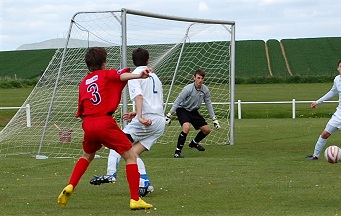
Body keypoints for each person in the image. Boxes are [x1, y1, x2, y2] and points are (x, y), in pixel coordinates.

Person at [57, 47, 153, 210]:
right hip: (104, 121)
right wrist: (139, 75)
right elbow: (122, 75)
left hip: (88, 123)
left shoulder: (83, 83)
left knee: (87, 156)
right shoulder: (107, 74)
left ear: (88, 65)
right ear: (103, 62)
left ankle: (71, 185)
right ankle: (135, 199)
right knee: (130, 156)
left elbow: (80, 112)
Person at [89, 48, 165, 197]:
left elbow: (139, 96)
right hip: (159, 121)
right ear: (148, 60)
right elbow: (153, 100)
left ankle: (111, 173)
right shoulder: (155, 76)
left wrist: (141, 117)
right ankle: (145, 183)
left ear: (133, 62)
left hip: (147, 120)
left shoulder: (136, 75)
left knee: (117, 143)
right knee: (132, 153)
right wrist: (136, 113)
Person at [165, 69, 221, 158]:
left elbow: (208, 104)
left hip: (193, 111)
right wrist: (169, 115)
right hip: (182, 109)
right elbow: (177, 101)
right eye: (198, 78)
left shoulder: (205, 90)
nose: (200, 80)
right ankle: (177, 152)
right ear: (194, 78)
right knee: (186, 128)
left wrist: (214, 119)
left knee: (207, 130)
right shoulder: (188, 89)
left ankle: (194, 143)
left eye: (202, 78)